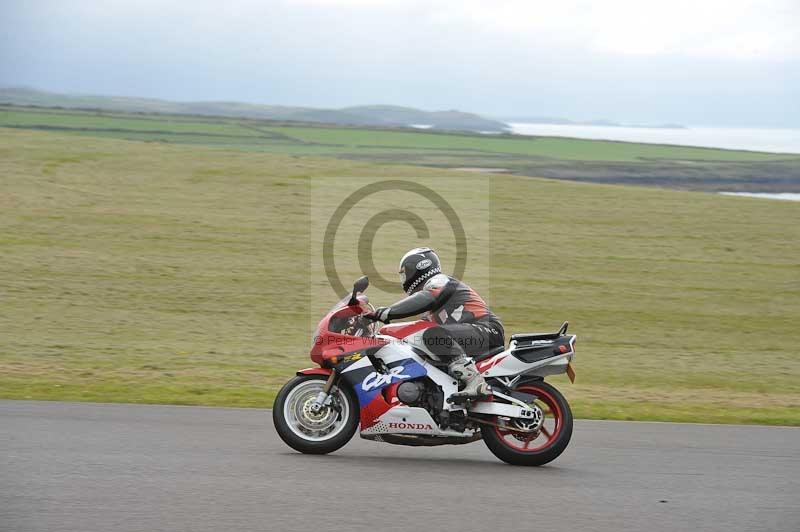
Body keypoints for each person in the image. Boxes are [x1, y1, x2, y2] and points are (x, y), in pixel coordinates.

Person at [368, 247, 505, 399]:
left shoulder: (438, 281)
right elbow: (415, 327)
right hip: (473, 333)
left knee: (432, 335)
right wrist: (382, 333)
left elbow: (427, 298)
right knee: (421, 339)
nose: (404, 278)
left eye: (405, 272)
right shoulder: (432, 310)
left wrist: (389, 312)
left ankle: (475, 381)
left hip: (487, 329)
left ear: (419, 267)